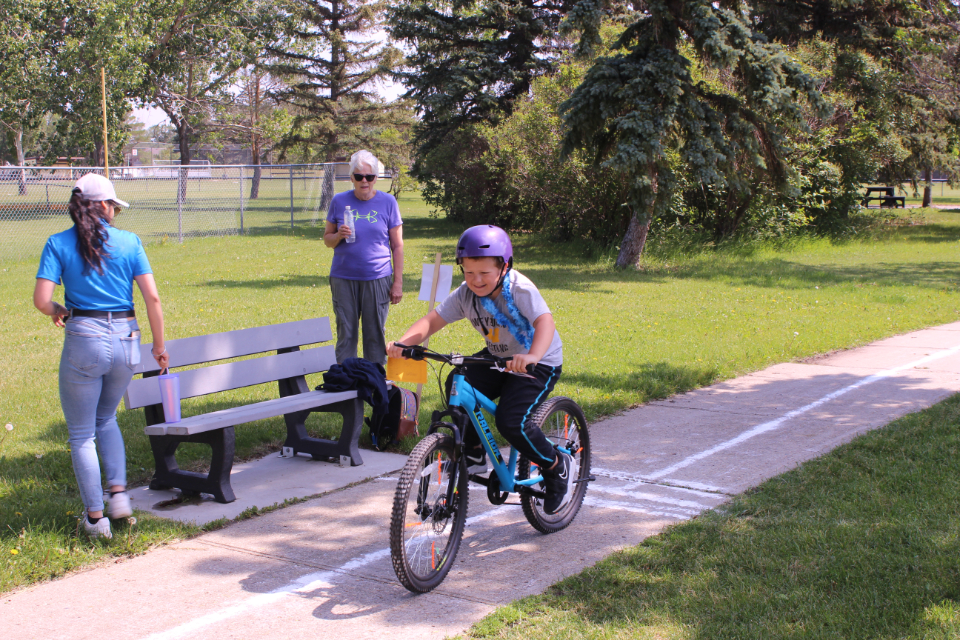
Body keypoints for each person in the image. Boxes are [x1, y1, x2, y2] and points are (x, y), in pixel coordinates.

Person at [386, 225, 574, 514]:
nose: (476, 280)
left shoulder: (519, 288)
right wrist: (403, 343)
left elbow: (544, 322)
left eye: (485, 273)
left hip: (538, 361)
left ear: (504, 266)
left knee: (512, 422)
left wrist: (533, 355)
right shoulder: (465, 294)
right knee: (458, 382)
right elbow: (433, 320)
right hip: (498, 357)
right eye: (469, 272)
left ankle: (556, 466)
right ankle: (473, 453)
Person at [33, 173, 169, 540]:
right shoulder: (129, 242)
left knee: (81, 435)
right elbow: (152, 298)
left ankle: (96, 519)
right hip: (127, 338)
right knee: (105, 419)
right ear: (105, 206)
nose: (116, 214)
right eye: (114, 207)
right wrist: (158, 346)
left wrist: (57, 309)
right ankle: (119, 495)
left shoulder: (58, 242)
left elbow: (42, 300)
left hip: (84, 338)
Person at [324, 150, 404, 365]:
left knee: (374, 335)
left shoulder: (388, 202)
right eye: (359, 176)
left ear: (376, 178)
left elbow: (397, 245)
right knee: (346, 333)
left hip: (377, 277)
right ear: (352, 178)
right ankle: (345, 383)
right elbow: (327, 240)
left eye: (370, 176)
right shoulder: (339, 201)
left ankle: (375, 384)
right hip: (343, 277)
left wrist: (397, 282)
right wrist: (339, 235)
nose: (364, 181)